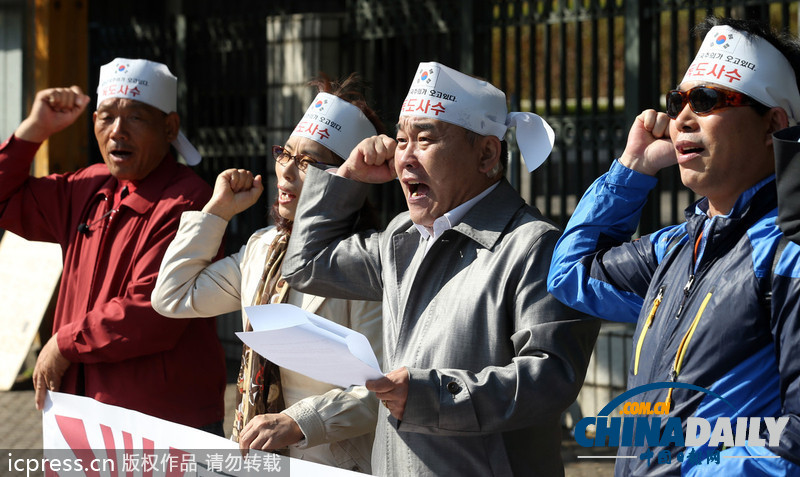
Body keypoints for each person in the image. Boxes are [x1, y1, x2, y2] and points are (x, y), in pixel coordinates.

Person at [281, 61, 600, 476]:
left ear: (487, 153)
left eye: (425, 139)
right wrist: (346, 177)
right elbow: (307, 265)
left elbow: (550, 378)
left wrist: (433, 395)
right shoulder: (402, 238)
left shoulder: (533, 245)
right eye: (400, 140)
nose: (404, 158)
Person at [548, 17, 800, 476]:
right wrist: (631, 170)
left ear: (774, 126)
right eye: (678, 100)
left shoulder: (791, 254)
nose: (681, 118)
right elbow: (571, 275)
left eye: (707, 100)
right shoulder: (682, 243)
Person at [152, 74, 384, 472]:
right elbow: (173, 297)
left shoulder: (366, 260)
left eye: (309, 162)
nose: (288, 172)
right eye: (286, 154)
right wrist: (217, 212)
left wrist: (300, 421)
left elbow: (383, 390)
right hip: (253, 460)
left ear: (347, 180)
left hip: (330, 463)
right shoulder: (264, 248)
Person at [0, 58, 226, 432]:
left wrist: (63, 343)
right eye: (106, 117)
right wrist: (34, 129)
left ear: (170, 127)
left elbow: (151, 310)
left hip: (159, 422)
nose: (118, 131)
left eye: (136, 118)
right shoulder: (88, 187)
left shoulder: (188, 202)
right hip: (79, 413)